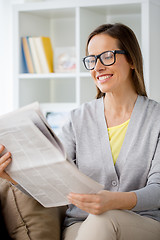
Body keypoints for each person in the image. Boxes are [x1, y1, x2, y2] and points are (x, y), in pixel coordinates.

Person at [0, 23, 160, 240]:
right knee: (97, 223)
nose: (98, 67)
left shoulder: (156, 118)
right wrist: (14, 177)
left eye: (107, 56)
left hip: (142, 222)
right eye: (92, 60)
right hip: (81, 224)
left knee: (103, 219)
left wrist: (114, 201)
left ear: (131, 59)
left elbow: (158, 189)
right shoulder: (77, 119)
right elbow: (55, 183)